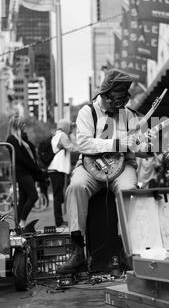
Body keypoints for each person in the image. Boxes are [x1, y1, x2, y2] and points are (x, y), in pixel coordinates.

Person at [57, 69, 148, 274]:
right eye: (117, 99)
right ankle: (78, 250)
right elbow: (83, 144)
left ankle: (128, 251)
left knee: (128, 191)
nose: (120, 103)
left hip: (123, 166)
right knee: (76, 187)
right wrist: (118, 143)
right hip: (90, 166)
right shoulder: (86, 112)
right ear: (104, 94)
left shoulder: (130, 115)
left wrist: (144, 146)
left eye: (124, 98)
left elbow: (139, 149)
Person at [6, 116, 44, 229]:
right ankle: (22, 222)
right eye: (22, 124)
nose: (24, 126)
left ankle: (17, 226)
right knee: (33, 196)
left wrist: (25, 137)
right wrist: (34, 167)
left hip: (27, 171)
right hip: (21, 172)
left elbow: (31, 151)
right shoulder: (11, 139)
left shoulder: (22, 139)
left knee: (23, 198)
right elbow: (20, 158)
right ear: (16, 125)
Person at [48, 120, 79, 230]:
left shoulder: (57, 135)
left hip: (55, 169)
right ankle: (59, 222)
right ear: (65, 126)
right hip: (57, 170)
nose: (70, 129)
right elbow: (71, 147)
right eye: (69, 127)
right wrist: (86, 149)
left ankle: (60, 220)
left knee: (59, 196)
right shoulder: (62, 135)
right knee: (58, 197)